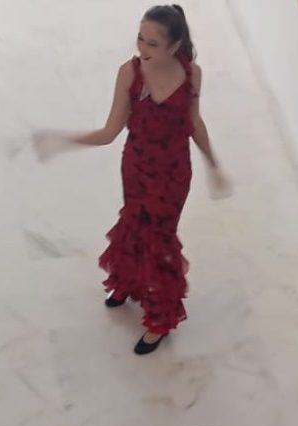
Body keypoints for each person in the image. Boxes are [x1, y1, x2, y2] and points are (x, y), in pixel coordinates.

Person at [33, 6, 231, 355]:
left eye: (153, 43)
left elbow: (194, 122)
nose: (142, 48)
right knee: (134, 224)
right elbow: (109, 131)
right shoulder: (130, 73)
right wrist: (64, 141)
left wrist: (213, 164)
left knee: (160, 240)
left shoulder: (192, 74)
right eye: (140, 38)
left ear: (175, 45)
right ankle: (127, 281)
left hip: (174, 172)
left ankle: (160, 319)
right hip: (137, 167)